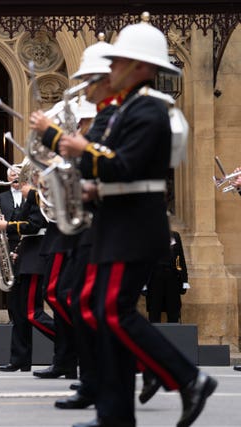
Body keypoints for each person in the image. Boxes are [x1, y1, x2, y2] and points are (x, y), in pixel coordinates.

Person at [58, 16, 217, 427]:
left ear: (142, 66)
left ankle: (187, 378)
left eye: (119, 62)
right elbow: (121, 171)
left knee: (111, 310)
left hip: (133, 229)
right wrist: (93, 185)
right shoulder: (133, 107)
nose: (111, 70)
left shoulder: (149, 108)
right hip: (119, 225)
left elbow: (122, 165)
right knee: (105, 312)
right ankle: (116, 413)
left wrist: (78, 148)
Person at [29, 35, 119, 409]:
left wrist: (58, 139)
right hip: (86, 227)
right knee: (79, 300)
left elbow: (117, 165)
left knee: (100, 307)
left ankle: (161, 373)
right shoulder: (105, 120)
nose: (87, 88)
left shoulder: (118, 117)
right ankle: (93, 380)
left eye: (92, 79)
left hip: (107, 227)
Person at [0, 168, 47, 371]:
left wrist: (7, 226)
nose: (18, 187)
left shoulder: (40, 197)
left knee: (32, 312)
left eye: (22, 183)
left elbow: (34, 226)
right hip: (26, 255)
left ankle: (69, 343)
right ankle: (20, 359)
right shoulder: (30, 199)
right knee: (17, 311)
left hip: (35, 259)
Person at [145, 229, 189, 323]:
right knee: (154, 308)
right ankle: (154, 335)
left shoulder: (175, 235)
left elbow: (180, 257)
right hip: (154, 278)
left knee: (173, 308)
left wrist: (184, 280)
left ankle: (174, 335)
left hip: (172, 277)